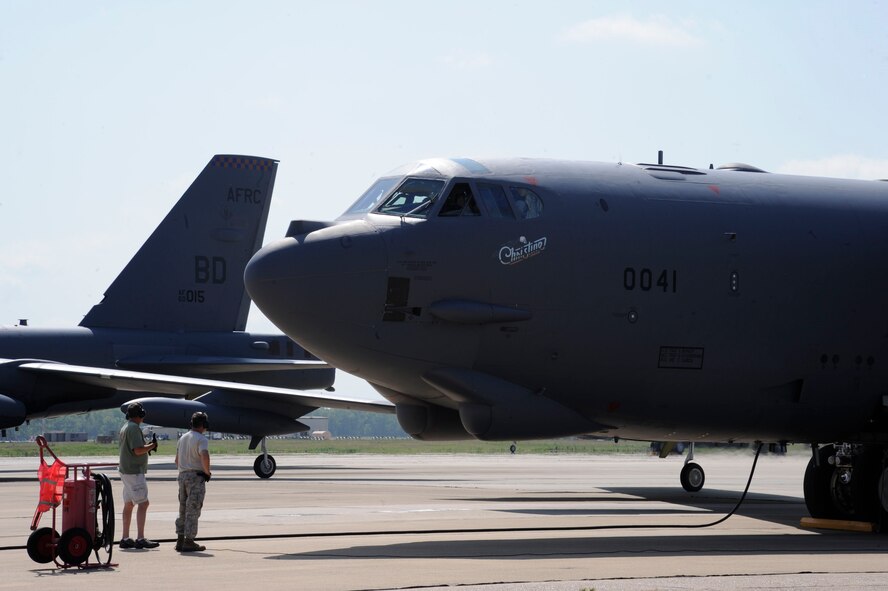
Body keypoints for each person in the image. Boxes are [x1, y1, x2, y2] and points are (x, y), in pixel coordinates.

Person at [118, 402, 160, 549]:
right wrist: (152, 446)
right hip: (134, 471)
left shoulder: (125, 427)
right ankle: (140, 538)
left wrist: (146, 446)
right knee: (143, 503)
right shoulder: (134, 428)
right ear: (139, 415)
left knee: (129, 504)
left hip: (126, 471)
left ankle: (125, 537)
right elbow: (137, 450)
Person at [174, 411, 211, 552]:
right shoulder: (201, 439)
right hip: (195, 477)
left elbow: (176, 461)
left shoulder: (182, 438)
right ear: (203, 424)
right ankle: (189, 541)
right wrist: (207, 472)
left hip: (182, 476)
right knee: (193, 509)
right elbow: (204, 455)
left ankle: (180, 540)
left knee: (182, 509)